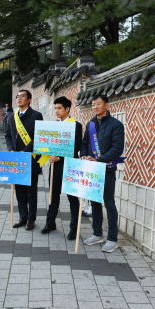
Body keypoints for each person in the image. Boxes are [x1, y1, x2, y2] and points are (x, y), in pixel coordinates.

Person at [80, 94, 125, 253]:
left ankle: (112, 239)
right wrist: (84, 156)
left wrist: (99, 160)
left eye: (98, 104)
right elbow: (85, 143)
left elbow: (117, 148)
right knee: (94, 202)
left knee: (109, 202)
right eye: (93, 105)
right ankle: (97, 233)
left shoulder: (116, 125)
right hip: (92, 169)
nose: (95, 107)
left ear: (106, 105)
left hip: (107, 169)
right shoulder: (91, 124)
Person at [40, 97, 83, 240]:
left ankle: (74, 228)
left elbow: (77, 146)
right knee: (53, 196)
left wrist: (61, 157)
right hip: (54, 167)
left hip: (70, 166)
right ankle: (50, 223)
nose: (56, 111)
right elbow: (48, 143)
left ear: (67, 109)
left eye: (59, 108)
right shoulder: (54, 125)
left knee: (72, 198)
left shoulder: (76, 125)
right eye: (55, 108)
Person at [5, 90, 44, 231]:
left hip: (31, 159)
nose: (19, 98)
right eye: (17, 96)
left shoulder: (36, 116)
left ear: (29, 100)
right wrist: (11, 150)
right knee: (19, 191)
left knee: (31, 192)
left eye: (22, 96)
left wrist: (25, 151)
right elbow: (8, 136)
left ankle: (31, 219)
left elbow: (39, 137)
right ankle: (22, 216)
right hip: (16, 160)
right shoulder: (12, 116)